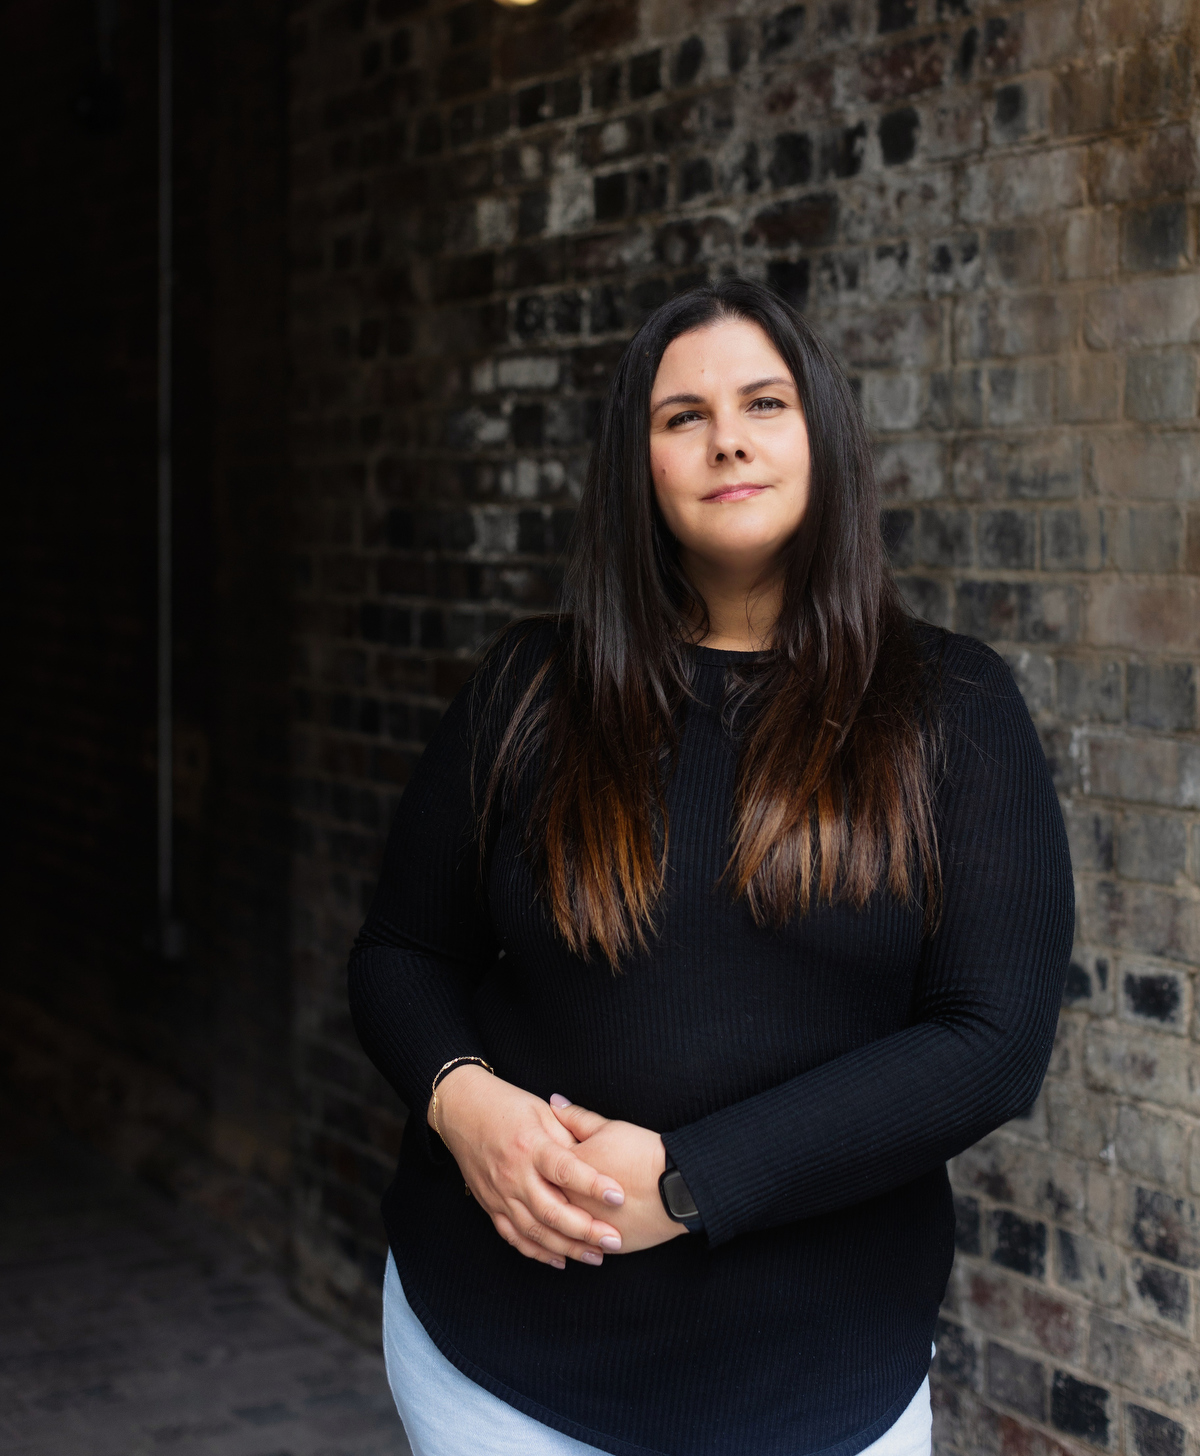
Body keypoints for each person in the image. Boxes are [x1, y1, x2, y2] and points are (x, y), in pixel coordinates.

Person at [348, 277, 1074, 1456]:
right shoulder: (531, 688)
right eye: (681, 415)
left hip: (818, 1386)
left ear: (820, 437)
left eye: (763, 402)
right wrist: (463, 1103)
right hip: (499, 1367)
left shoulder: (952, 706)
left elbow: (990, 1044)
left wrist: (691, 1182)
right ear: (638, 466)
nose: (726, 435)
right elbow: (401, 954)